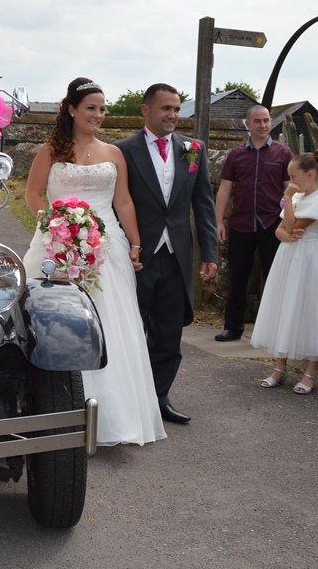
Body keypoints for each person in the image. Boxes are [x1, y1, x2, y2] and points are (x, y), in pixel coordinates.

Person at [22, 77, 166, 446]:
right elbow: (33, 194)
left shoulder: (114, 153)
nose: (99, 115)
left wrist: (135, 243)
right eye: (91, 108)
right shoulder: (50, 151)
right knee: (55, 324)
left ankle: (113, 420)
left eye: (103, 109)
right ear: (72, 109)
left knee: (112, 326)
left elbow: (123, 203)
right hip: (56, 245)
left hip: (106, 249)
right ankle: (55, 414)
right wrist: (57, 227)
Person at [116, 84, 218, 425]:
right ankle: (129, 399)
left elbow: (202, 203)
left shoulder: (192, 150)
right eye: (166, 109)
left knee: (170, 331)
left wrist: (210, 253)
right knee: (131, 327)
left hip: (177, 255)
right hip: (137, 254)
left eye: (176, 109)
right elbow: (117, 204)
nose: (173, 115)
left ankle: (160, 397)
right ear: (146, 110)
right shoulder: (123, 151)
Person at [250, 150, 318, 394]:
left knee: (311, 309)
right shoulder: (300, 196)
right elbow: (280, 230)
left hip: (311, 260)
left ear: (310, 174)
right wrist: (286, 232)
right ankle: (280, 366)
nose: (290, 182)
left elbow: (291, 225)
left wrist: (288, 202)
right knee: (285, 305)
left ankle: (310, 372)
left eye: (293, 176)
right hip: (291, 257)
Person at [213, 105, 293, 342]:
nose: (263, 125)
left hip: (272, 225)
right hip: (241, 224)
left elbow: (291, 190)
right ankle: (233, 327)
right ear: (247, 124)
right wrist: (218, 221)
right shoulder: (236, 155)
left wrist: (290, 220)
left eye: (266, 120)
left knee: (276, 278)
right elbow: (225, 189)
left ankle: (277, 330)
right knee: (237, 278)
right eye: (257, 121)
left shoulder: (283, 153)